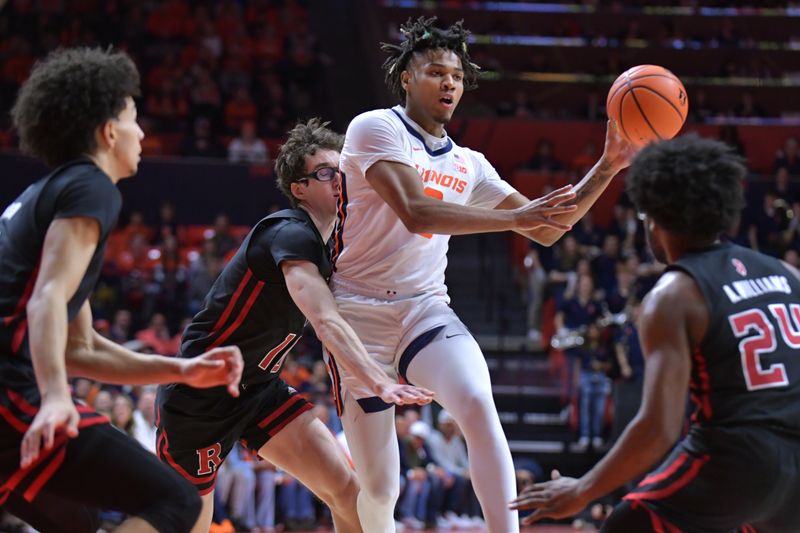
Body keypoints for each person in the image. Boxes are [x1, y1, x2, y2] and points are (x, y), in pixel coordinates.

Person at [330, 16, 635, 533]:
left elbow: (548, 230)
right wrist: (514, 218)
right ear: (406, 77)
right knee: (381, 489)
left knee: (476, 402)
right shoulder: (375, 127)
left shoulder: (470, 164)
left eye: (456, 75)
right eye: (434, 72)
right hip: (356, 316)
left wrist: (608, 166)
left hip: (423, 307)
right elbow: (417, 211)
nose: (449, 82)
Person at [2, 47, 244, 533]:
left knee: (80, 522)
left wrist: (183, 369)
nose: (143, 134)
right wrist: (54, 397)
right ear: (108, 132)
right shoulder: (91, 186)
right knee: (178, 504)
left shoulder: (47, 195)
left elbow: (81, 348)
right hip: (10, 393)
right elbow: (46, 296)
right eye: (134, 118)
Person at [156, 118, 434, 533]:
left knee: (347, 492)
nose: (339, 181)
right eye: (326, 173)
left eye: (343, 172)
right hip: (200, 394)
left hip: (260, 390)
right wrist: (378, 380)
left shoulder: (337, 247)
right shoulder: (288, 232)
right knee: (186, 525)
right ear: (299, 188)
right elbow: (325, 319)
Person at [511, 135, 800, 532]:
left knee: (626, 525)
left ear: (654, 219)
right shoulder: (787, 274)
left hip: (737, 457)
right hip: (795, 464)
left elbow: (659, 428)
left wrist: (583, 490)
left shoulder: (673, 295)